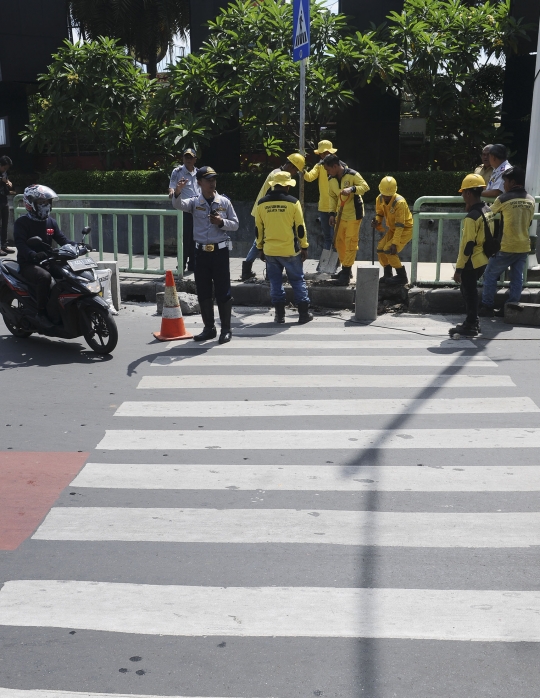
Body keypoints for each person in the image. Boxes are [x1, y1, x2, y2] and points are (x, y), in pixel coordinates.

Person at [172, 166, 239, 344]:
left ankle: (226, 329)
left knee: (223, 290)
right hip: (201, 253)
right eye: (208, 180)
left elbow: (235, 224)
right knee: (203, 290)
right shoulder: (195, 202)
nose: (212, 183)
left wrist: (221, 222)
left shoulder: (224, 202)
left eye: (213, 179)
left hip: (220, 252)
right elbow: (178, 205)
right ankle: (209, 328)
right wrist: (177, 192)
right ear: (199, 182)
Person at [14, 185, 74, 329]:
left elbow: (62, 239)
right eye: (41, 203)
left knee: (67, 274)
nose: (45, 206)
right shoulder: (22, 223)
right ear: (30, 204)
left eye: (47, 203)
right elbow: (21, 245)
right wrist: (32, 254)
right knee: (44, 277)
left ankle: (61, 308)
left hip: (48, 260)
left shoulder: (51, 222)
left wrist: (77, 245)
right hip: (28, 264)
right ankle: (41, 313)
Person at [255, 171, 312, 324]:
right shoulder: (293, 202)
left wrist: (260, 248)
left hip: (270, 251)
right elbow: (300, 227)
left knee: (275, 283)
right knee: (297, 281)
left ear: (273, 185)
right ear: (287, 186)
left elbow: (258, 230)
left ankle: (279, 316)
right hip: (290, 251)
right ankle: (303, 314)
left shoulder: (261, 203)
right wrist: (304, 246)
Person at [479, 166, 535, 318]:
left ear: (512, 182)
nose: (503, 185)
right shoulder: (531, 199)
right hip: (524, 246)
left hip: (505, 246)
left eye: (505, 182)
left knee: (490, 274)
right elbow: (529, 223)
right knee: (517, 278)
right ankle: (511, 307)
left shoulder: (503, 199)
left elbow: (489, 213)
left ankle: (487, 306)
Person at [241, 153, 305, 280]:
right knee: (260, 240)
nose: (294, 173)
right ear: (291, 166)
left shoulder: (277, 172)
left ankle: (247, 269)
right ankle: (252, 270)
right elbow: (273, 197)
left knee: (259, 239)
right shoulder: (277, 175)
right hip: (266, 212)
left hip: (263, 210)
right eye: (295, 170)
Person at [448, 174, 491, 337]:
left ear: (467, 193)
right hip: (483, 259)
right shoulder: (487, 209)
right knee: (469, 290)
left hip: (471, 261)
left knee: (469, 291)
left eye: (463, 192)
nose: (462, 196)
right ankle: (473, 320)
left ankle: (471, 324)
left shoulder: (471, 218)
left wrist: (459, 269)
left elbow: (467, 246)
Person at [323, 153, 369, 286]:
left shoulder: (352, 174)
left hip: (354, 214)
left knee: (350, 242)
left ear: (335, 166)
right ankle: (345, 269)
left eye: (328, 169)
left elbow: (365, 187)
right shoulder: (331, 178)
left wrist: (352, 189)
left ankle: (346, 271)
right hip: (341, 214)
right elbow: (332, 196)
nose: (327, 172)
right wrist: (331, 213)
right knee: (339, 242)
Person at [371, 176, 413, 286]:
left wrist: (394, 243)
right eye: (384, 194)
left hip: (405, 230)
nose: (386, 197)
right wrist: (376, 221)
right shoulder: (379, 199)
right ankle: (387, 274)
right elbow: (379, 213)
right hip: (393, 229)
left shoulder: (400, 202)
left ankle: (402, 276)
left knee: (389, 249)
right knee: (380, 249)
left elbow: (400, 225)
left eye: (388, 196)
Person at [169, 148, 200, 273]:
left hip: (198, 210)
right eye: (186, 157)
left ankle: (193, 265)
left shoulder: (198, 173)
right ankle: (181, 265)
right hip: (185, 210)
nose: (188, 159)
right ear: (183, 158)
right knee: (184, 239)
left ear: (194, 159)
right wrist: (173, 192)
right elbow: (171, 187)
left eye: (190, 157)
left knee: (196, 238)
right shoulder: (177, 172)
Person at [304, 140, 337, 251]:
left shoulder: (340, 166)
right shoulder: (319, 166)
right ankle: (328, 263)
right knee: (328, 237)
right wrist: (302, 169)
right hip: (323, 207)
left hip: (337, 207)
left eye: (324, 153)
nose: (322, 156)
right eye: (321, 154)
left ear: (330, 152)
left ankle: (338, 262)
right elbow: (309, 177)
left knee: (335, 237)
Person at [0, 155, 16, 256]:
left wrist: (9, 183)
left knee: (5, 223)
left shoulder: (4, 173)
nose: (5, 170)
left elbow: (6, 181)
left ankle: (4, 245)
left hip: (4, 199)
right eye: (4, 167)